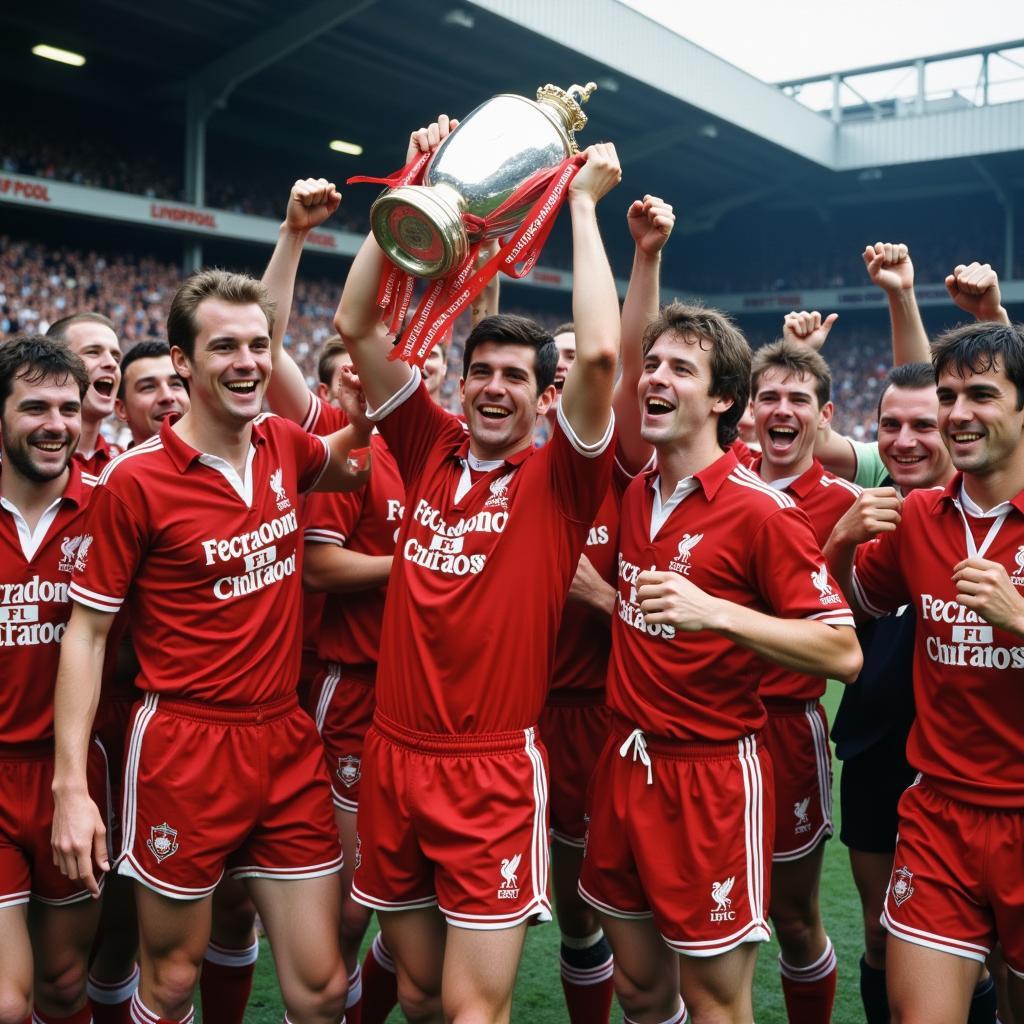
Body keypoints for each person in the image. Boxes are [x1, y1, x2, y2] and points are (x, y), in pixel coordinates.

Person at [335, 113, 622, 1023]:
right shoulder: (428, 445)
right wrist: (416, 183)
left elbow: (607, 353)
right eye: (480, 372)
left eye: (514, 377)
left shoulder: (561, 479)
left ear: (546, 398)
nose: (494, 387)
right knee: (420, 993)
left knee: (470, 1009)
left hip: (489, 769)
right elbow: (356, 324)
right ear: (460, 385)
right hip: (392, 754)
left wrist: (580, 207)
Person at [50, 269, 371, 1024]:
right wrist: (71, 786)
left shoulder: (284, 446)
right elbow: (88, 635)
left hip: (285, 739)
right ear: (183, 362)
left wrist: (366, 413)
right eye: (224, 346)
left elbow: (351, 463)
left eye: (259, 345)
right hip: (181, 745)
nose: (247, 361)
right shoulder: (136, 481)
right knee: (167, 980)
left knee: (322, 989)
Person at [577, 301, 862, 1024]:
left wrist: (718, 613)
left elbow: (842, 650)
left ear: (723, 397)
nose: (655, 379)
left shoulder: (760, 511)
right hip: (623, 761)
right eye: (653, 365)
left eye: (681, 367)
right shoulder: (639, 491)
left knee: (715, 1001)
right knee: (641, 990)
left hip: (710, 779)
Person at [826, 319, 1024, 1024]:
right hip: (937, 812)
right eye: (949, 396)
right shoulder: (919, 518)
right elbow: (857, 604)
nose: (959, 414)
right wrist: (842, 547)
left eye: (982, 394)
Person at [829, 361, 958, 1023]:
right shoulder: (875, 513)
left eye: (924, 425)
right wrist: (842, 542)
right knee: (881, 932)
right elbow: (838, 619)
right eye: (891, 427)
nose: (905, 440)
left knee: (982, 953)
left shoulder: (986, 508)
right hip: (879, 746)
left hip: (969, 762)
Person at [747, 339, 861, 1023]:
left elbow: (855, 624)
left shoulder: (847, 502)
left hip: (786, 729)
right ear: (747, 410)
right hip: (700, 727)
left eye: (798, 400)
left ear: (825, 416)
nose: (782, 410)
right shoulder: (710, 478)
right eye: (769, 397)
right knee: (684, 913)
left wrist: (840, 543)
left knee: (792, 917)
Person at [0, 336, 103, 1024]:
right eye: (34, 406)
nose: (56, 423)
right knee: (9, 1003)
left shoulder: (113, 505)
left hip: (75, 776)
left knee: (66, 986)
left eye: (68, 407)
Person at [46, 312, 123, 479]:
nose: (111, 363)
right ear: (54, 365)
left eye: (116, 357)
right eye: (93, 352)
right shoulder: (12, 460)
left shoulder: (125, 464)